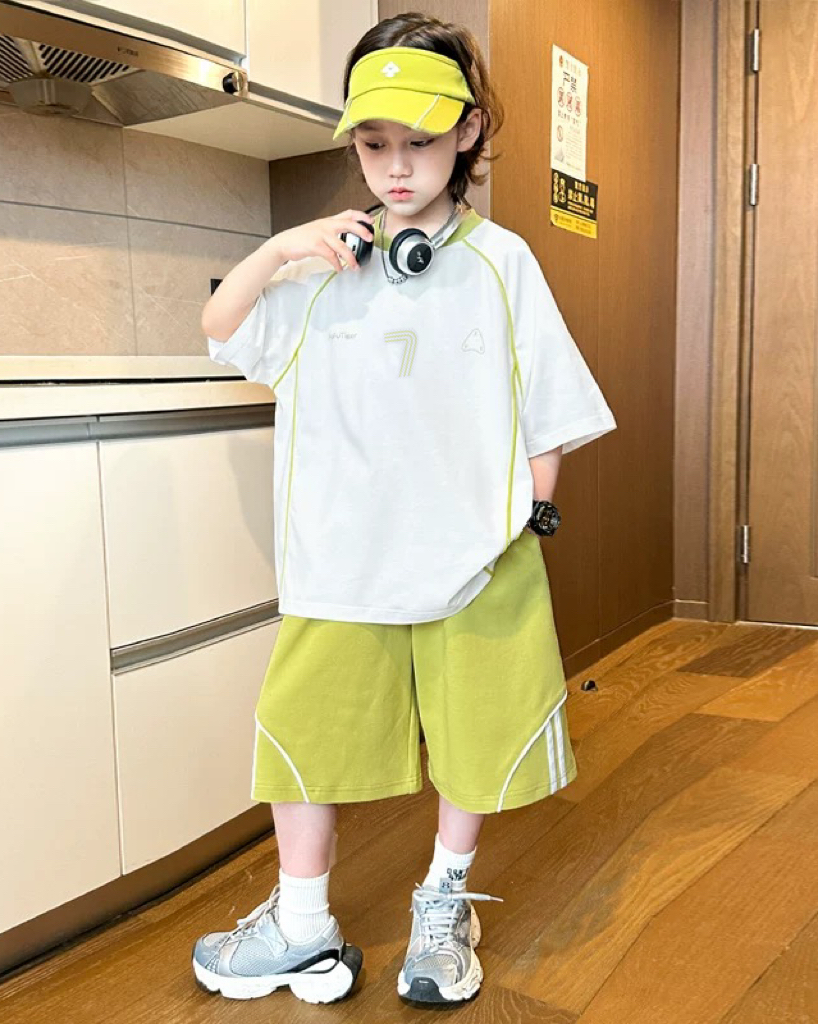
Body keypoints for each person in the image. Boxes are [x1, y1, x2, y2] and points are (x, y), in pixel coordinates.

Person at [191, 11, 616, 1010]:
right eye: (373, 143)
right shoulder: (321, 269)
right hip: (341, 563)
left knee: (477, 733)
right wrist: (282, 247)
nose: (393, 166)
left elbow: (548, 412)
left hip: (474, 561)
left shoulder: (504, 263)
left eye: (418, 141)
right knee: (304, 734)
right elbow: (221, 327)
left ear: (468, 131)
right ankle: (302, 926)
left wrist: (527, 524)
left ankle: (443, 901)